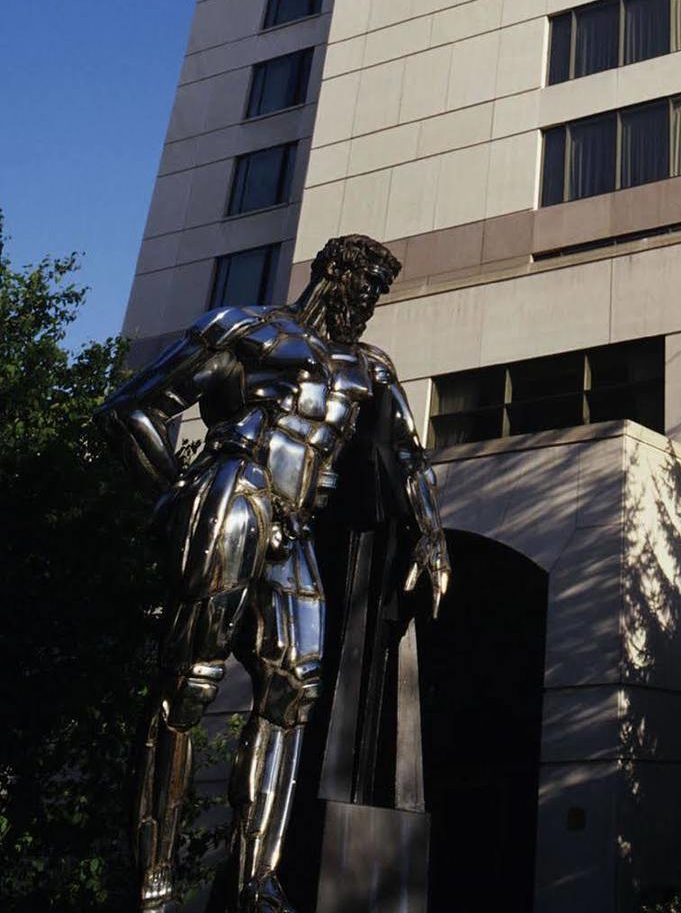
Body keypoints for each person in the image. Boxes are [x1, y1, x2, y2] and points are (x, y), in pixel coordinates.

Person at [96, 233, 449, 913]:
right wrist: (179, 495)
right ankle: (153, 881)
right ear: (330, 275)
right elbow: (133, 410)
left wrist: (431, 538)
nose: (367, 303)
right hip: (235, 494)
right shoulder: (247, 331)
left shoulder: (367, 368)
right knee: (188, 689)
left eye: (377, 294)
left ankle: (255, 879)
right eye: (362, 287)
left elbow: (408, 457)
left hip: (296, 526)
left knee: (294, 693)